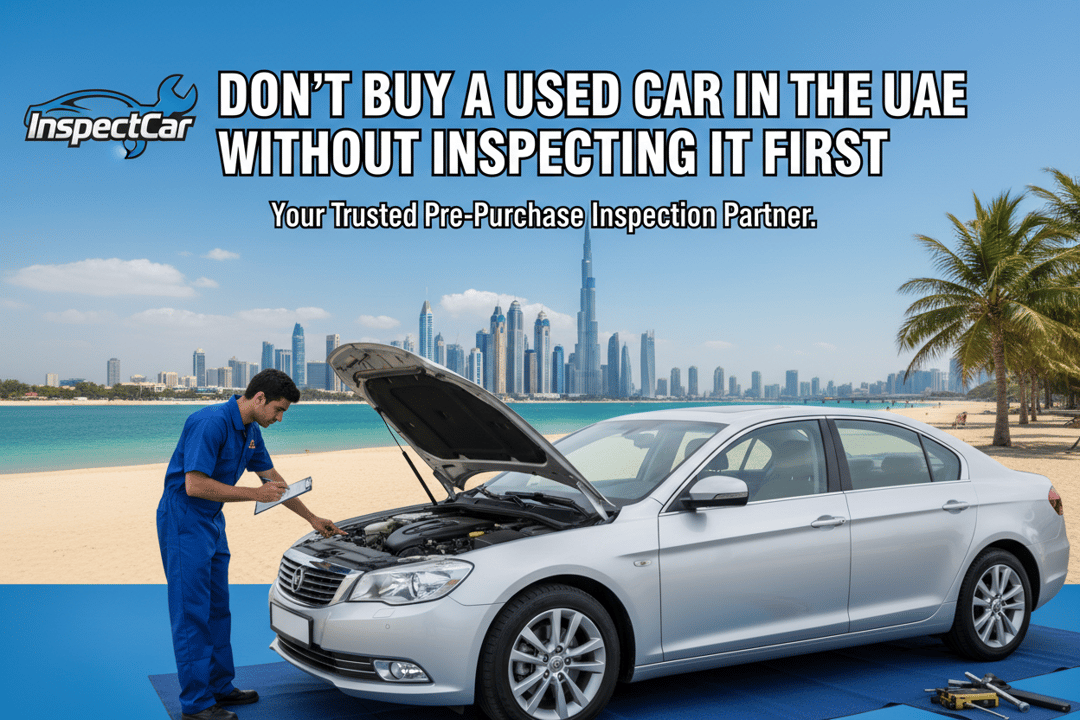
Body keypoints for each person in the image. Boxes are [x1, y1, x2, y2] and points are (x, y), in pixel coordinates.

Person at [156, 368, 343, 720]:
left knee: (218, 609)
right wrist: (254, 494)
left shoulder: (252, 431)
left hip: (212, 521)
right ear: (259, 399)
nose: (281, 418)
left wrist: (312, 519)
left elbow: (275, 482)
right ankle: (197, 705)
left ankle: (220, 687)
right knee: (191, 613)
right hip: (183, 521)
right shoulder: (209, 423)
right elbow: (195, 485)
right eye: (279, 409)